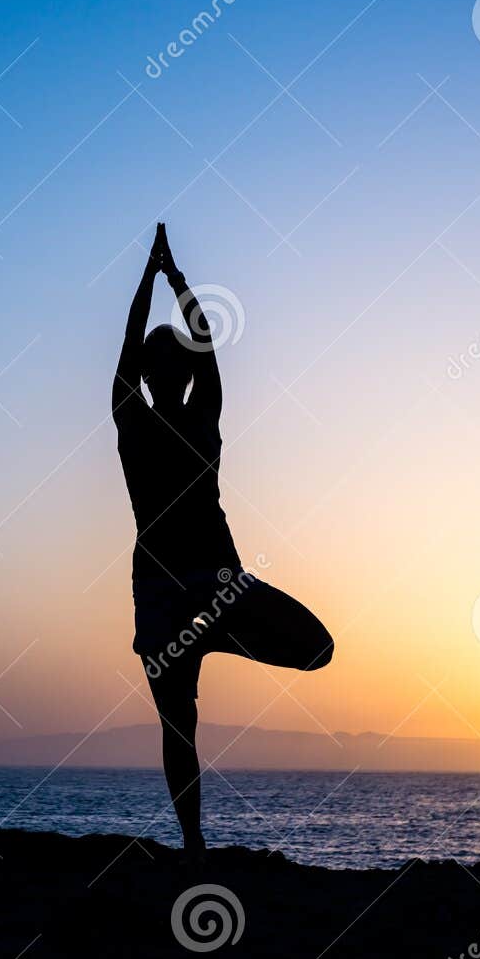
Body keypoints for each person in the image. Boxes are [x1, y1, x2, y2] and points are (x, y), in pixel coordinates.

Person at [113, 223, 334, 862]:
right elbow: (198, 346)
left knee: (179, 727)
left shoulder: (138, 420)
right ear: (174, 372)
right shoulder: (187, 419)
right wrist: (173, 279)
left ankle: (191, 843)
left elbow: (134, 351)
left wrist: (152, 279)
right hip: (200, 587)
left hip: (175, 594)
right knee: (309, 653)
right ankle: (191, 842)